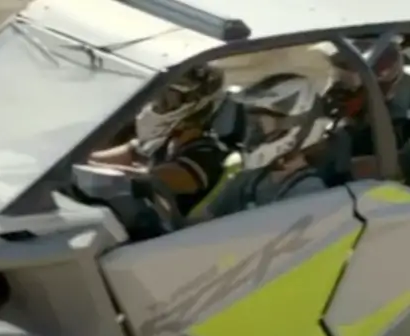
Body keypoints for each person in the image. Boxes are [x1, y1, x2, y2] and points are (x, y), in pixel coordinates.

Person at [89, 64, 232, 215]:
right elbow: (97, 159)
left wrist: (85, 170)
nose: (158, 102)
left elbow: (148, 180)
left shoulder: (206, 155)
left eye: (168, 98)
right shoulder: (161, 141)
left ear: (197, 105)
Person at [192, 72, 333, 221]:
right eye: (252, 123)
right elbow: (201, 222)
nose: (252, 131)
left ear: (297, 129)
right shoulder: (248, 178)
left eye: (261, 124)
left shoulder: (308, 193)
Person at [317, 37, 410, 180]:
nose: (333, 92)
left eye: (346, 86)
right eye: (336, 80)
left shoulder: (391, 133)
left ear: (376, 91)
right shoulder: (342, 125)